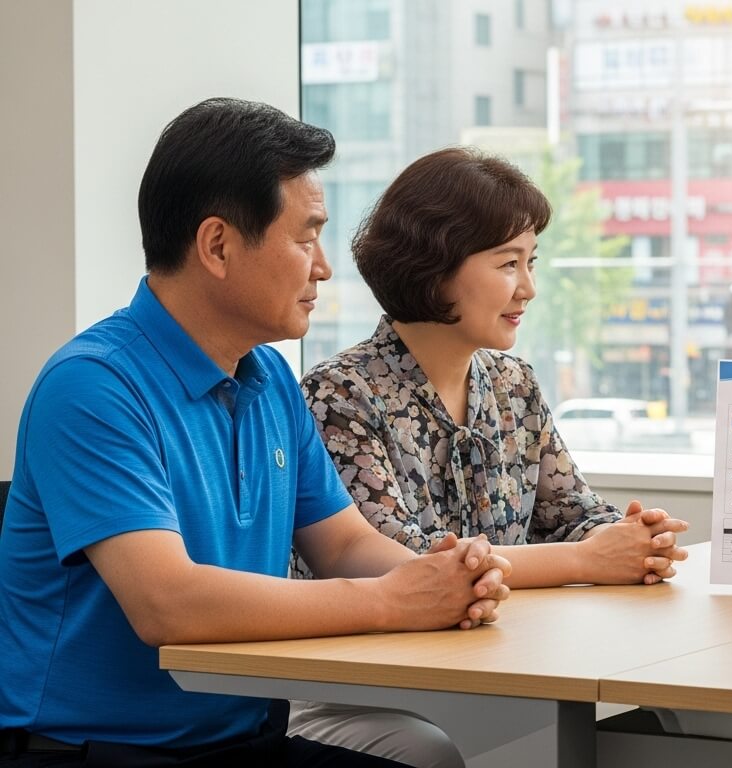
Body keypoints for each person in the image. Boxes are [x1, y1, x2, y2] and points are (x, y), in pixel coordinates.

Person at [0, 99, 512, 768]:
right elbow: (167, 604)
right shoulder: (93, 387)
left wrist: (445, 578)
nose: (323, 267)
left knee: (438, 759)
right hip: (98, 753)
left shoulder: (267, 375)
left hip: (242, 739)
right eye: (305, 238)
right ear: (217, 245)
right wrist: (390, 600)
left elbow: (344, 543)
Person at [285, 147, 689, 766]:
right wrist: (586, 558)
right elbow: (409, 565)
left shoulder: (512, 384)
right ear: (435, 265)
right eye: (507, 264)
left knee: (654, 727)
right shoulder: (338, 394)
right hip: (378, 684)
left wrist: (634, 538)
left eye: (531, 263)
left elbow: (572, 512)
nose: (527, 287)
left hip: (503, 659)